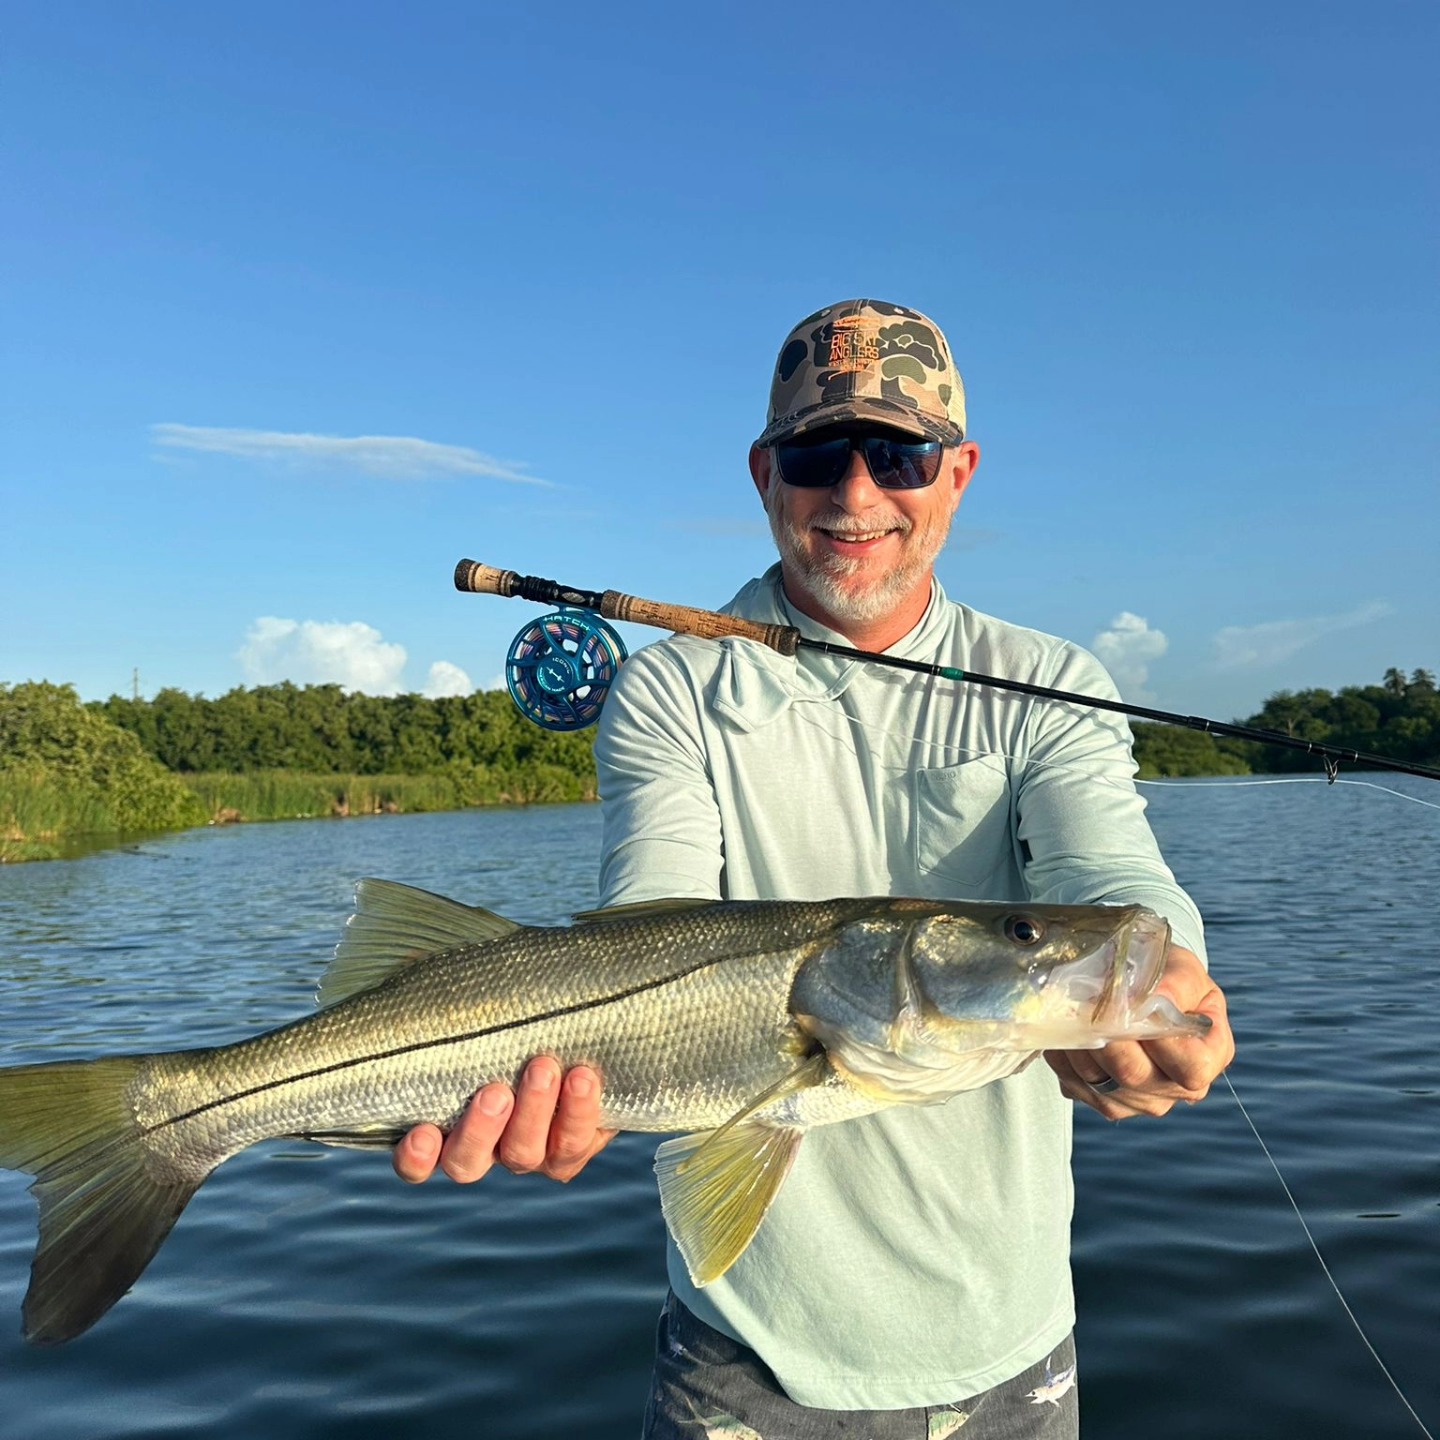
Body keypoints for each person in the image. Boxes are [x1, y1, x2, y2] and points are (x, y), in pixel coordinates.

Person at [394, 298, 1235, 1436]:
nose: (855, 491)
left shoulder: (1053, 683)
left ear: (959, 474)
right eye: (815, 454)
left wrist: (1171, 968)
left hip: (1011, 1343)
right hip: (741, 1359)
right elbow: (649, 919)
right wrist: (574, 1081)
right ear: (764, 476)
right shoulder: (671, 689)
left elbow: (1113, 874)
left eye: (901, 454)